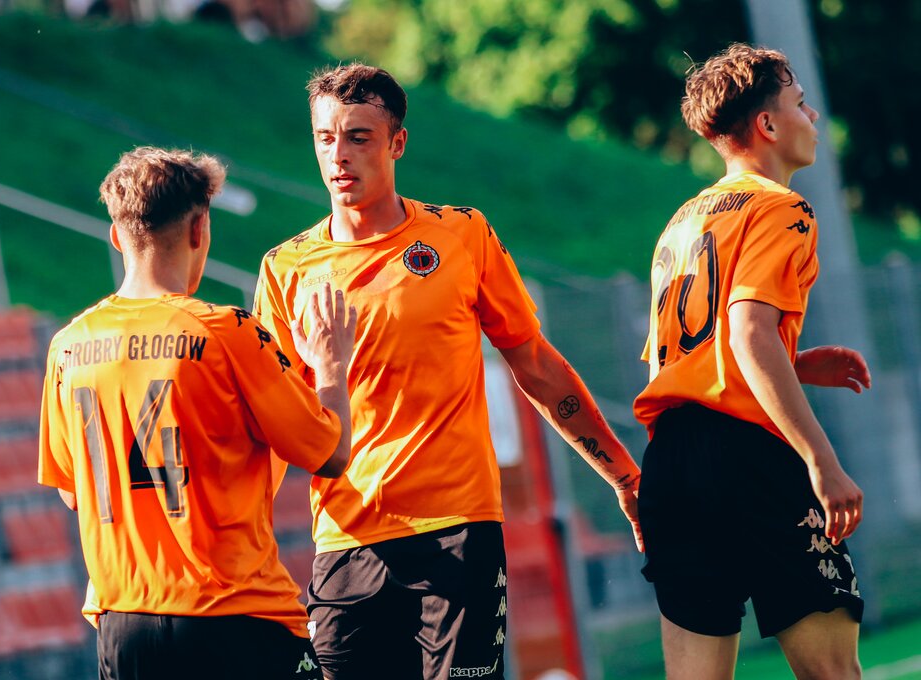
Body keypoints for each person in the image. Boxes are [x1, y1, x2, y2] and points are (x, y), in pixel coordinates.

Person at [254, 63, 643, 679]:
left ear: (397, 143)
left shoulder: (461, 234)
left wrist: (622, 475)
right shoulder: (286, 269)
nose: (339, 155)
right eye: (325, 138)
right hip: (346, 539)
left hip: (458, 533)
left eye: (359, 137)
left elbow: (536, 365)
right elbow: (277, 421)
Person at [37, 146, 357, 680]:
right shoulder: (227, 332)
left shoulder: (67, 346)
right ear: (199, 229)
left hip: (124, 626)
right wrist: (331, 367)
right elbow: (331, 453)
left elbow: (73, 491)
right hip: (234, 619)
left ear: (116, 236)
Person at [633, 44, 869, 679]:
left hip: (672, 464)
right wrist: (822, 461)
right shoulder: (782, 208)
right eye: (800, 104)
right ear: (767, 124)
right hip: (747, 457)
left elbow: (681, 358)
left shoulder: (681, 222)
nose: (812, 116)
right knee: (834, 673)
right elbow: (746, 331)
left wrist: (796, 361)